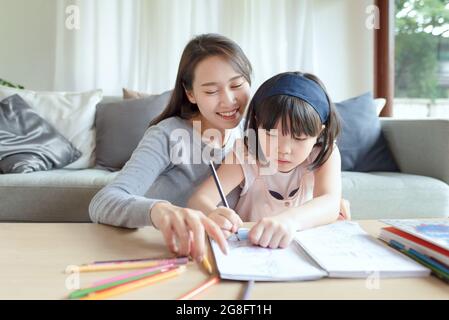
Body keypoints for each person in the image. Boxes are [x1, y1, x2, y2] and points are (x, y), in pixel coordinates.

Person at [89, 34, 253, 261]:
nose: (228, 100)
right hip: (166, 255)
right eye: (211, 91)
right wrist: (158, 211)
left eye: (236, 84)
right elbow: (103, 202)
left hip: (224, 255)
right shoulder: (167, 135)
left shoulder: (251, 135)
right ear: (191, 94)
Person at [188, 71, 351, 249]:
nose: (283, 149)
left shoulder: (324, 152)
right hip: (252, 248)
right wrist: (213, 213)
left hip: (303, 249)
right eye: (270, 135)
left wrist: (289, 221)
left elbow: (330, 201)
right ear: (257, 124)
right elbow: (199, 199)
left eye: (299, 138)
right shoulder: (247, 152)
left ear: (319, 132)